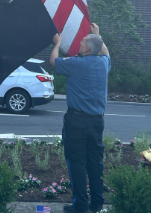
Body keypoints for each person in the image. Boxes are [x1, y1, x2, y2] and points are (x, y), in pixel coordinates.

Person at [49, 23, 111, 213]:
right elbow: (106, 53)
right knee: (95, 162)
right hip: (97, 122)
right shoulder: (103, 64)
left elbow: (53, 61)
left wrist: (57, 44)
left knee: (76, 162)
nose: (80, 44)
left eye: (83, 42)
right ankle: (97, 204)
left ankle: (81, 206)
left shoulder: (75, 64)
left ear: (86, 49)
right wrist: (97, 35)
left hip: (76, 121)